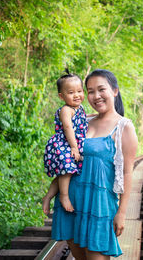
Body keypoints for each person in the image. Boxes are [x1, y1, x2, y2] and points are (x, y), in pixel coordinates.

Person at [43, 69, 138, 259]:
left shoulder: (124, 127)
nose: (96, 96)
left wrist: (122, 213)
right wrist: (50, 195)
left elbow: (127, 173)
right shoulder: (81, 120)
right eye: (90, 91)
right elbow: (65, 162)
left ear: (115, 91)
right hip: (72, 204)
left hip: (99, 207)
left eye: (101, 89)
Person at [43, 70, 87, 213]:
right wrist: (74, 147)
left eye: (79, 91)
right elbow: (68, 127)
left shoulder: (79, 109)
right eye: (71, 92)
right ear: (61, 96)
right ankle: (64, 196)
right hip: (64, 144)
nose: (76, 95)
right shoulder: (66, 110)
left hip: (71, 144)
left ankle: (48, 197)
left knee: (64, 173)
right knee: (66, 171)